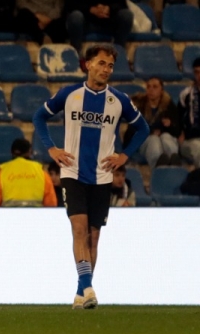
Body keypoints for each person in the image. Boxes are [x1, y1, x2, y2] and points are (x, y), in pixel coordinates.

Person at [34, 44, 150, 309]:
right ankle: (88, 287)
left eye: (110, 65)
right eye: (101, 63)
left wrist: (124, 155)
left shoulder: (118, 100)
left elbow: (142, 128)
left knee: (94, 237)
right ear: (87, 65)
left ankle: (79, 292)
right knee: (79, 229)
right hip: (73, 172)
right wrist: (51, 148)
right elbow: (39, 116)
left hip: (102, 176)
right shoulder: (70, 95)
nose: (106, 69)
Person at [0, 138, 58, 207]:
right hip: (35, 219)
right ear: (29, 152)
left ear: (12, 152)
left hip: (9, 219)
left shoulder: (1, 173)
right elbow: (51, 204)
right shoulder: (42, 174)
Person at [128, 76, 182, 167]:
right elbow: (130, 133)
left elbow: (177, 131)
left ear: (161, 90)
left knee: (166, 137)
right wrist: (151, 131)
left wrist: (169, 125)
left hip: (165, 138)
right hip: (144, 141)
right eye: (148, 87)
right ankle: (159, 166)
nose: (151, 90)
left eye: (155, 87)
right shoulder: (139, 106)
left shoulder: (169, 105)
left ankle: (173, 162)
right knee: (154, 139)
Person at [179, 58, 200, 165]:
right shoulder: (186, 94)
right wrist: (181, 133)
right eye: (197, 72)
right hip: (190, 140)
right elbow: (178, 118)